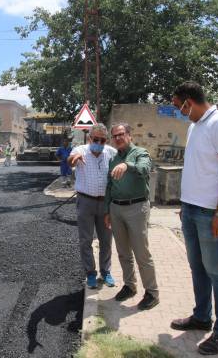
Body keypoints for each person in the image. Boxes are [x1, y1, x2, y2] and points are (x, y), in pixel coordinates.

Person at [170, 82, 218, 355]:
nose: (178, 111)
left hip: (213, 213)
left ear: (189, 101)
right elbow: (199, 168)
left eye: (178, 106)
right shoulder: (195, 126)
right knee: (198, 267)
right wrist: (186, 203)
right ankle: (201, 317)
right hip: (192, 209)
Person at [104, 123, 159, 310]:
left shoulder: (140, 153)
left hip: (137, 208)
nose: (118, 138)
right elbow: (109, 186)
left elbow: (144, 169)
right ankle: (129, 286)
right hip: (116, 209)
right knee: (123, 252)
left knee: (141, 253)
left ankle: (152, 292)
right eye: (115, 136)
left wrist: (127, 165)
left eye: (121, 134)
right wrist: (107, 211)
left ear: (129, 135)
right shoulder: (113, 159)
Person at [68, 124, 117, 289]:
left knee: (106, 240)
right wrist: (73, 160)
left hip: (105, 204)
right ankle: (90, 273)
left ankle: (106, 272)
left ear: (106, 141)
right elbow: (71, 159)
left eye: (102, 140)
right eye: (95, 139)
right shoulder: (81, 150)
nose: (99, 143)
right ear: (90, 138)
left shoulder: (111, 152)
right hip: (85, 202)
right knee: (85, 240)